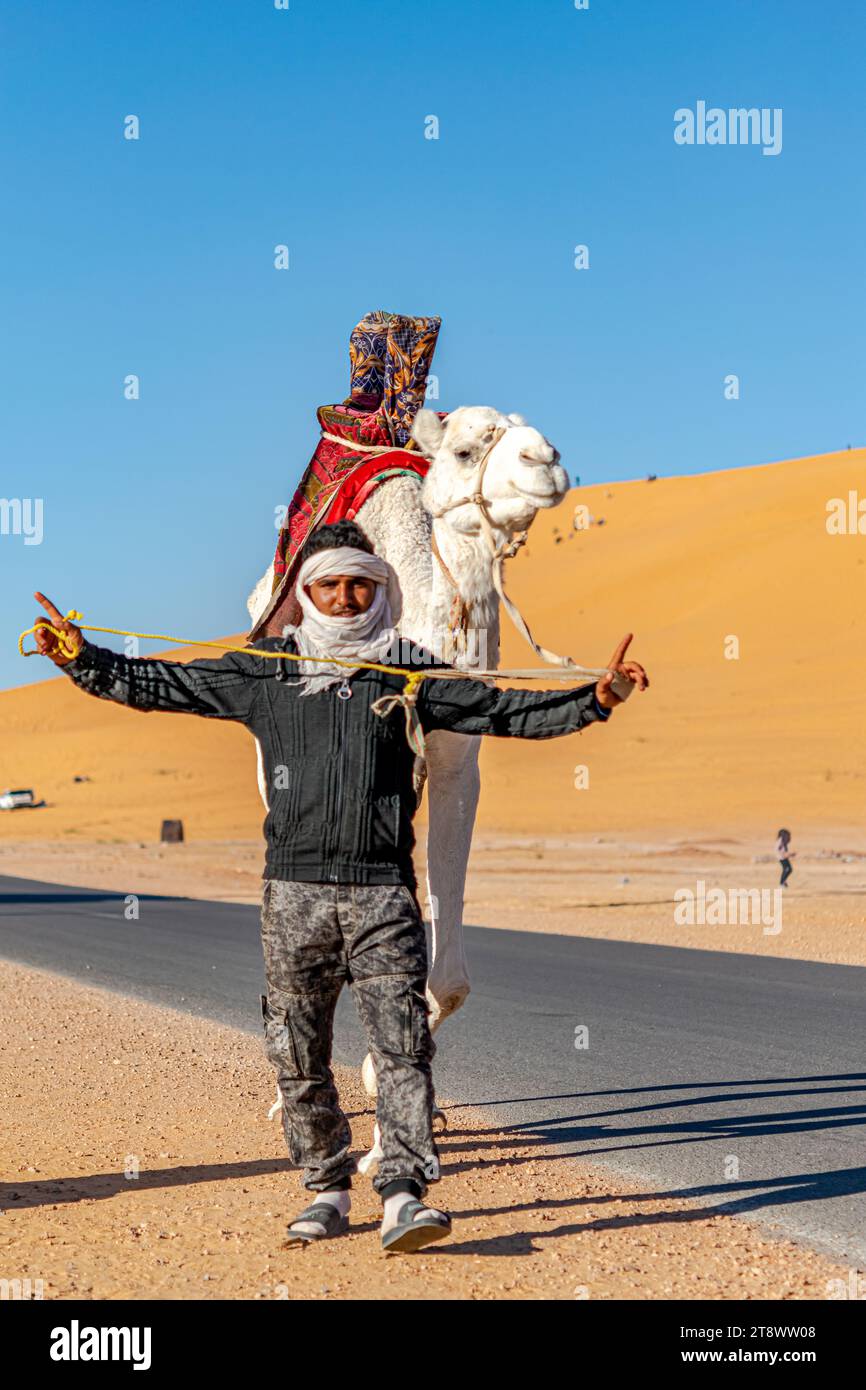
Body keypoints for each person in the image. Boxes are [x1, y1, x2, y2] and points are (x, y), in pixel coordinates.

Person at [33, 519, 649, 1253]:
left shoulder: (410, 673)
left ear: (380, 588)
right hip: (291, 898)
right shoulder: (266, 672)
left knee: (402, 1046)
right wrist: (82, 661)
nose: (347, 596)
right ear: (307, 593)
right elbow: (162, 685)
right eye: (331, 584)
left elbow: (505, 710)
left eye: (361, 582)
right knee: (296, 1052)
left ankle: (403, 1196)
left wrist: (596, 700)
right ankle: (326, 1187)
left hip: (382, 894)